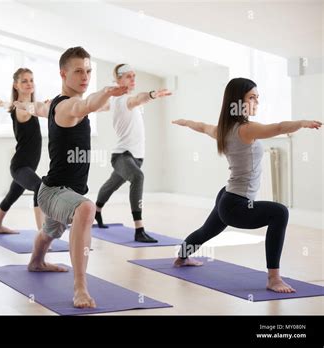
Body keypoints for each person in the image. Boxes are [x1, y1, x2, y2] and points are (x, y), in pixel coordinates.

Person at [172, 77, 322, 293]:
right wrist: (302, 122)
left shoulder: (223, 129)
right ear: (238, 101)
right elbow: (279, 127)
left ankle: (181, 257)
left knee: (208, 230)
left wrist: (185, 122)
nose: (256, 102)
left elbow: (203, 127)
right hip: (236, 204)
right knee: (279, 212)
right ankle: (274, 279)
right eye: (252, 97)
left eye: (257, 98)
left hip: (227, 196)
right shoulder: (246, 129)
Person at [16, 47, 127, 308]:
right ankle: (80, 288)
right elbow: (87, 104)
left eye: (88, 71)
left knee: (49, 232)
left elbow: (40, 108)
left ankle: (36, 261)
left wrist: (23, 104)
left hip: (62, 192)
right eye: (78, 71)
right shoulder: (69, 105)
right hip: (54, 192)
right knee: (86, 208)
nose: (85, 76)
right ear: (63, 73)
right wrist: (107, 91)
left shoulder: (55, 103)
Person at [95, 64, 172, 243]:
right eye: (129, 76)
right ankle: (139, 229)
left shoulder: (115, 101)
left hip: (136, 157)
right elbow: (138, 99)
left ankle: (96, 212)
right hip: (123, 155)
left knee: (111, 185)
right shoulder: (124, 100)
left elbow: (103, 107)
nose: (133, 79)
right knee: (137, 177)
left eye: (134, 76)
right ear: (119, 79)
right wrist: (153, 94)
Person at [0, 68, 44, 234]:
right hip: (20, 167)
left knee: (12, 195)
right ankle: (42, 234)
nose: (29, 84)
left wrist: (6, 104)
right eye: (24, 81)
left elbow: (24, 106)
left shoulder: (23, 106)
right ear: (16, 85)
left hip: (27, 166)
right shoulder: (23, 109)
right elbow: (30, 108)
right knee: (40, 187)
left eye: (31, 80)